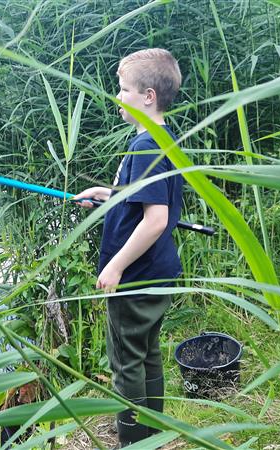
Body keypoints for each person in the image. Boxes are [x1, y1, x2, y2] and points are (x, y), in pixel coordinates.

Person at [73, 48, 183, 447]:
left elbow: (155, 219)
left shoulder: (145, 147)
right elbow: (144, 199)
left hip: (137, 275)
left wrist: (116, 266)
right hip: (159, 270)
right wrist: (108, 195)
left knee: (126, 364)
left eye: (124, 90)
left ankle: (134, 442)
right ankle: (153, 433)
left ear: (148, 96)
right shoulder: (162, 138)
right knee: (147, 355)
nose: (118, 97)